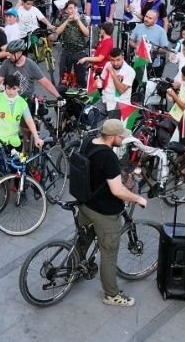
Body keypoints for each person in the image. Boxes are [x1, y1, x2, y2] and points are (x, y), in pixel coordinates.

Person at [74, 119, 150, 307]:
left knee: (83, 241)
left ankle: (72, 268)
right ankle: (112, 295)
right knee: (108, 254)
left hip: (85, 204)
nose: (123, 139)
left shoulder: (89, 142)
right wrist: (137, 198)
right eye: (121, 136)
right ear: (113, 137)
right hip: (104, 212)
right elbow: (117, 191)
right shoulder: (108, 157)